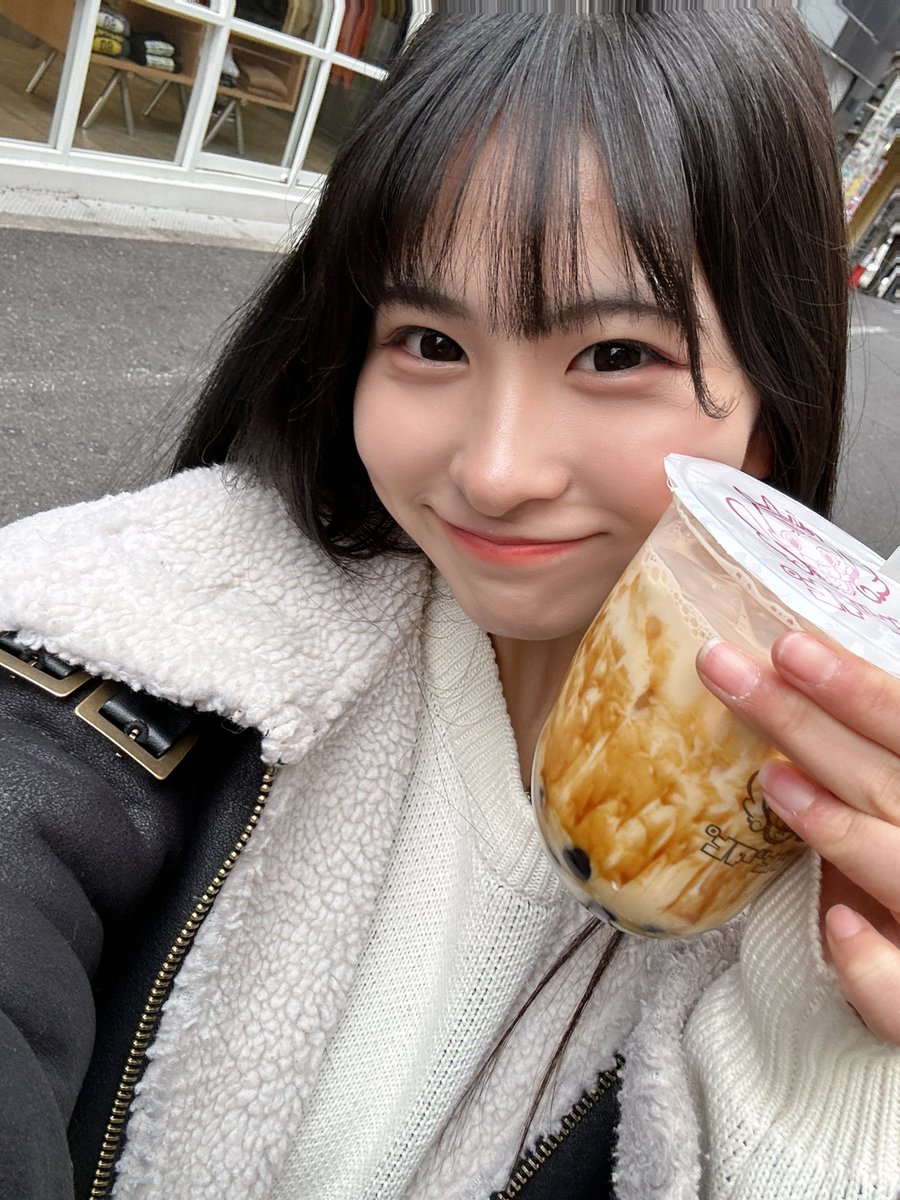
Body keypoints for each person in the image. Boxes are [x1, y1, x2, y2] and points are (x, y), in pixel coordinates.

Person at [1, 10, 899, 1200]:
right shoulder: (144, 635)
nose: (495, 470)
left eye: (615, 356)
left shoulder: (833, 839)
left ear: (771, 406)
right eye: (429, 340)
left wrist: (847, 1072)